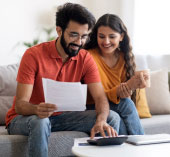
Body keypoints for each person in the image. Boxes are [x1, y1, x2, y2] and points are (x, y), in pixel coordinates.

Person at [5, 5, 121, 157]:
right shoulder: (33, 55)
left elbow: (100, 98)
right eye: (74, 35)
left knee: (111, 117)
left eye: (84, 36)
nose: (79, 41)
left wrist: (101, 120)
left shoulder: (85, 58)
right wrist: (36, 109)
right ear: (59, 31)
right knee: (41, 121)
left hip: (61, 118)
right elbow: (20, 105)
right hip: (26, 118)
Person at [85, 14, 147, 135]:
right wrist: (119, 92)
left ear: (121, 36)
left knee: (122, 121)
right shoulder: (89, 56)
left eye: (112, 36)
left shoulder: (125, 58)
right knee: (126, 105)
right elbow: (98, 96)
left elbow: (123, 98)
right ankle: (142, 144)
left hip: (116, 106)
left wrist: (130, 88)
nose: (106, 41)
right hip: (93, 105)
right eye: (101, 36)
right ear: (96, 36)